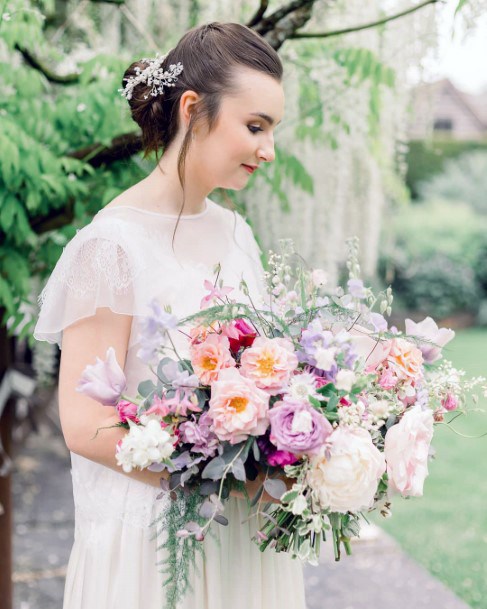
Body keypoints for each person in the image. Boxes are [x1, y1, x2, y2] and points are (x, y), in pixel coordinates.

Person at [34, 21, 306, 609]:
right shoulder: (111, 245)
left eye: (273, 130)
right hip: (151, 548)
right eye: (255, 126)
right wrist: (218, 467)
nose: (269, 149)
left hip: (239, 540)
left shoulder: (237, 234)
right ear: (192, 109)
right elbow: (83, 423)